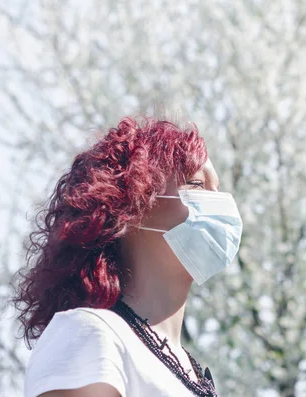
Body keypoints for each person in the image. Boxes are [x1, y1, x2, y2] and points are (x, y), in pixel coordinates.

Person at [12, 117, 242, 397]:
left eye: (217, 189)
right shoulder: (90, 334)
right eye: (196, 183)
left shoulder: (190, 372)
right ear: (130, 208)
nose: (219, 204)